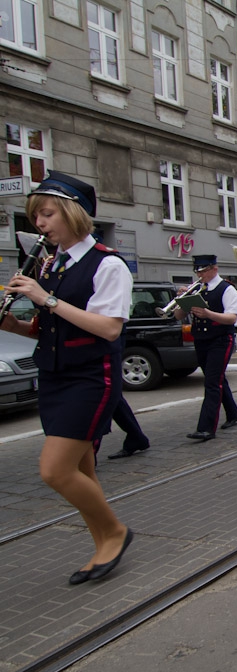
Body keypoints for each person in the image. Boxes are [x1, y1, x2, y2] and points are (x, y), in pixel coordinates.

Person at [0, 171, 134, 585]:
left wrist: (45, 298)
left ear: (73, 213)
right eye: (36, 216)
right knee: (83, 470)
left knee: (55, 471)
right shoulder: (51, 263)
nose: (39, 224)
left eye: (46, 214)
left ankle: (115, 532)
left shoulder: (108, 263)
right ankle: (101, 545)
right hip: (56, 375)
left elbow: (109, 328)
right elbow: (47, 328)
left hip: (91, 377)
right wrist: (10, 322)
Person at [174, 254, 237, 441]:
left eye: (204, 270)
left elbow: (232, 317)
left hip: (220, 340)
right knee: (216, 378)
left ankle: (206, 427)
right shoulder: (195, 289)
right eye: (197, 270)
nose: (200, 274)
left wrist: (208, 314)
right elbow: (178, 316)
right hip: (201, 339)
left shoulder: (226, 289)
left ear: (215, 268)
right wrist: (182, 298)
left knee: (212, 382)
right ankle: (233, 413)